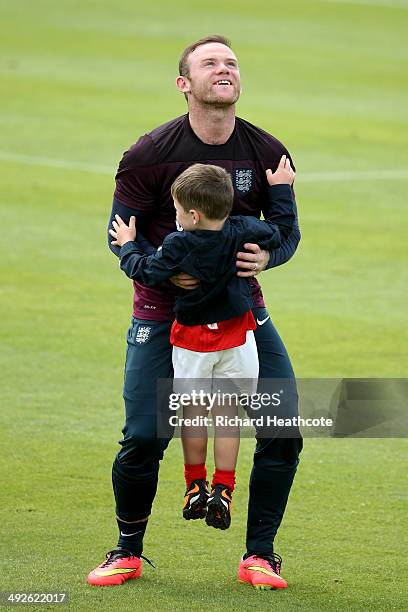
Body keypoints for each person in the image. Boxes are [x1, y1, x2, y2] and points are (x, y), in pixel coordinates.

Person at [87, 34, 303, 590]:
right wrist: (154, 267)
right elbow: (120, 237)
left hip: (239, 316)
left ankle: (260, 555)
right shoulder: (148, 155)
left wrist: (267, 255)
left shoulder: (265, 151)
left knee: (283, 429)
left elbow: (287, 234)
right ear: (186, 84)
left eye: (231, 62)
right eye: (210, 63)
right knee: (143, 434)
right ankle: (127, 551)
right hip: (162, 317)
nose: (224, 68)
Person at [108, 160, 295, 532]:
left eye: (177, 211)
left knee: (194, 412)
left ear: (192, 215)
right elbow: (278, 231)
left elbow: (145, 270)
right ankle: (224, 487)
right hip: (238, 340)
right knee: (227, 416)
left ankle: (195, 483)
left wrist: (128, 246)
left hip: (194, 341)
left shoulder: (178, 244)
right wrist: (280, 191)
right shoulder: (243, 229)